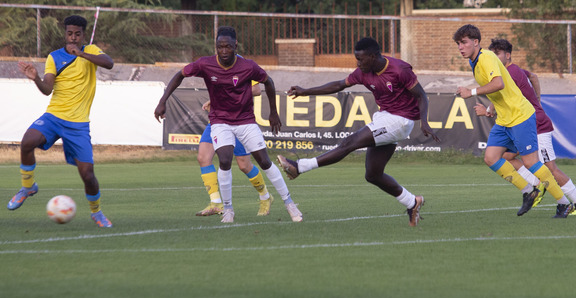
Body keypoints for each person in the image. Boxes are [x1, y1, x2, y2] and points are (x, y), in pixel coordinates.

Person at [276, 37, 436, 226]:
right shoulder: (363, 72)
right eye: (356, 59)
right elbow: (339, 85)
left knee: (350, 142)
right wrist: (306, 91)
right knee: (373, 174)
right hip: (384, 117)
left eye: (361, 59)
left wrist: (423, 121)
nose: (358, 63)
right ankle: (411, 201)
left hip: (401, 120)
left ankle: (300, 167)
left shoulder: (399, 69)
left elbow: (421, 95)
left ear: (373, 56)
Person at [154, 26, 303, 223]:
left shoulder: (247, 66)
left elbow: (269, 82)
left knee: (264, 162)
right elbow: (180, 75)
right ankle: (228, 209)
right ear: (215, 47)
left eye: (228, 47)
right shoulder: (205, 64)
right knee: (224, 160)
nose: (224, 51)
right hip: (220, 121)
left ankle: (289, 203)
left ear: (235, 46)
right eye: (220, 47)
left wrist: (273, 112)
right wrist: (163, 101)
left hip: (245, 121)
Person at [452, 24, 574, 217]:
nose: (460, 47)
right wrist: (491, 109)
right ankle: (529, 192)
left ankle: (564, 203)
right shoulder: (474, 62)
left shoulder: (487, 57)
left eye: (464, 42)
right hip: (505, 119)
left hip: (520, 116)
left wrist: (471, 92)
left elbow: (498, 83)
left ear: (476, 42)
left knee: (532, 163)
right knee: (491, 158)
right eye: (458, 43)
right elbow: (500, 89)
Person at [7, 14, 115, 228]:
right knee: (27, 141)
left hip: (78, 124)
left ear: (83, 35)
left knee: (87, 174)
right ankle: (28, 187)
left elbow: (109, 63)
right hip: (54, 116)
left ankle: (97, 212)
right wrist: (35, 78)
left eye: (77, 34)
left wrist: (82, 54)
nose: (73, 38)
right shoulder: (54, 57)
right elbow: (47, 89)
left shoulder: (91, 51)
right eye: (69, 33)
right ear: (64, 34)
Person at [477, 38, 576, 218]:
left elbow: (498, 93)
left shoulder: (511, 72)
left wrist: (489, 110)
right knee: (505, 156)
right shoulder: (513, 71)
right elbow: (533, 77)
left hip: (535, 124)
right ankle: (535, 185)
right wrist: (537, 100)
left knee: (549, 167)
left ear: (507, 55)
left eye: (497, 54)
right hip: (524, 121)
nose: (494, 58)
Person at [196, 92, 273, 217]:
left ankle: (265, 196)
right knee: (203, 158)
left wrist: (227, 96)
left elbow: (257, 90)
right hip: (217, 121)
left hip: (238, 121)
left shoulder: (245, 71)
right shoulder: (216, 71)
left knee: (244, 165)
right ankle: (215, 202)